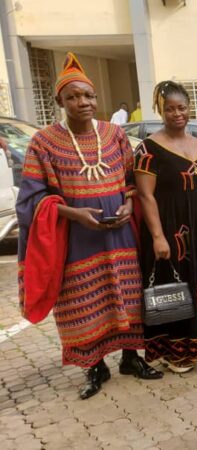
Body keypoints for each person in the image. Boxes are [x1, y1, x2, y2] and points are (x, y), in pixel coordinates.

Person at [16, 52, 162, 400]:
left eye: (89, 96)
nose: (83, 102)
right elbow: (32, 199)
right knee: (82, 301)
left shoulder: (114, 134)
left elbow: (130, 178)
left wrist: (128, 203)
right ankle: (94, 367)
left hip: (120, 237)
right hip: (77, 239)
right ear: (60, 101)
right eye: (74, 97)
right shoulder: (44, 142)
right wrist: (73, 214)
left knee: (128, 295)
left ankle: (131, 358)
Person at [134, 81, 197, 373]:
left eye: (182, 107)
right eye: (170, 108)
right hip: (170, 227)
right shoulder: (148, 149)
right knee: (173, 286)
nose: (177, 113)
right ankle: (174, 349)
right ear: (160, 110)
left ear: (189, 109)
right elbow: (146, 195)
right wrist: (158, 237)